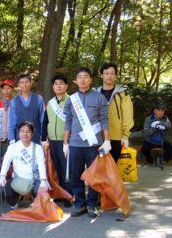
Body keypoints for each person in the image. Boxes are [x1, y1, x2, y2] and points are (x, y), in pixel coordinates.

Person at [63, 67, 110, 218]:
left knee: (93, 176)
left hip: (93, 144)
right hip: (75, 144)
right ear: (75, 81)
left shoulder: (99, 98)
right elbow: (68, 121)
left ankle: (91, 205)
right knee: (76, 175)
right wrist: (65, 143)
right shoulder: (71, 99)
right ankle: (80, 204)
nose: (82, 79)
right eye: (79, 77)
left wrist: (107, 141)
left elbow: (104, 120)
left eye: (86, 77)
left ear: (91, 79)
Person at [0, 121, 48, 209]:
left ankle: (35, 203)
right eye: (22, 131)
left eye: (28, 131)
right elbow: (6, 162)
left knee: (41, 192)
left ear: (32, 134)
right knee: (4, 190)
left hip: (34, 179)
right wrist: (2, 176)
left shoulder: (38, 148)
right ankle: (15, 202)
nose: (25, 134)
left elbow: (41, 165)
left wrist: (43, 180)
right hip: (17, 178)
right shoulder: (12, 147)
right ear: (18, 133)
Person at [41, 74, 71, 206]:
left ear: (66, 86)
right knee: (56, 169)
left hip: (67, 142)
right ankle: (59, 193)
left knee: (67, 170)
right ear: (53, 87)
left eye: (61, 83)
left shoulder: (72, 101)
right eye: (56, 84)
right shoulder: (50, 103)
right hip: (52, 141)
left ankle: (69, 196)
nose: (58, 86)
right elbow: (45, 121)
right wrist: (43, 138)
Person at [96, 63, 134, 163]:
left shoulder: (123, 94)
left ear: (115, 76)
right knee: (99, 170)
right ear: (101, 75)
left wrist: (125, 136)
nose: (109, 76)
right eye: (106, 73)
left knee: (114, 170)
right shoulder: (95, 93)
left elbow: (128, 115)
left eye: (112, 73)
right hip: (98, 137)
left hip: (117, 137)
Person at [8, 74, 45, 144]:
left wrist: (43, 136)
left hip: (36, 136)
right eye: (22, 82)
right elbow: (12, 122)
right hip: (20, 137)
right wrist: (11, 138)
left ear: (30, 83)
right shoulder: (14, 101)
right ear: (19, 85)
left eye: (27, 82)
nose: (24, 84)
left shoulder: (38, 99)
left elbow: (43, 120)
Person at [141, 103, 172, 169]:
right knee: (144, 149)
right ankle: (151, 161)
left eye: (163, 111)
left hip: (161, 141)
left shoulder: (165, 119)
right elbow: (147, 133)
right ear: (155, 111)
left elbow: (169, 127)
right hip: (150, 141)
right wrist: (154, 128)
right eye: (159, 110)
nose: (161, 112)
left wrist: (161, 123)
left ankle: (161, 159)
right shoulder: (148, 119)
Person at [0, 79, 15, 165]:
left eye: (8, 88)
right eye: (4, 88)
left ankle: (11, 177)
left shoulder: (16, 103)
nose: (6, 90)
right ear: (1, 90)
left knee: (11, 161)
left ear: (12, 89)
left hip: (12, 138)